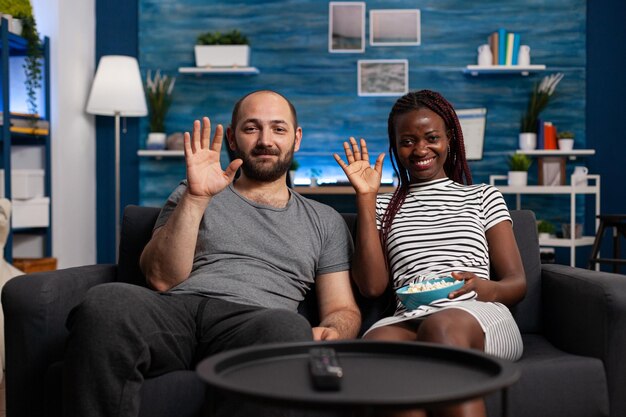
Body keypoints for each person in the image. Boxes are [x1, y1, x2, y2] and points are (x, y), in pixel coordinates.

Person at [63, 90, 361, 417]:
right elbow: (161, 279)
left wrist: (333, 331)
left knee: (288, 329)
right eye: (251, 128)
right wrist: (195, 197)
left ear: (296, 138)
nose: (265, 140)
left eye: (278, 128)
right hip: (175, 311)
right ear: (232, 138)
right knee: (106, 301)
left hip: (253, 321)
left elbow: (342, 308)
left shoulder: (324, 220)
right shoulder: (194, 188)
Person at [334, 89, 526, 417]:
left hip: (476, 314)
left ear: (449, 138)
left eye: (432, 137)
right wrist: (366, 199)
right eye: (407, 141)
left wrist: (483, 286)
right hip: (409, 317)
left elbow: (517, 283)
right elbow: (372, 287)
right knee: (375, 351)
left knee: (440, 327)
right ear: (395, 146)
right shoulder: (383, 206)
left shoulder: (483, 197)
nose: (421, 149)